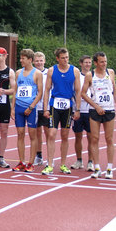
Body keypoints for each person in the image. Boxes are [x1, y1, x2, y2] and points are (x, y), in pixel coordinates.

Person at [81, 52, 116, 179]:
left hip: (109, 110)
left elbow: (114, 90)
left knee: (109, 139)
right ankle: (97, 167)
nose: (104, 64)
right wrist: (96, 106)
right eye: (102, 62)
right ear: (96, 63)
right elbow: (83, 93)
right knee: (94, 139)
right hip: (95, 110)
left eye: (105, 61)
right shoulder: (90, 75)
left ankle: (109, 168)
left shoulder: (110, 73)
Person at [42, 47, 81, 175]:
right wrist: (45, 108)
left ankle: (63, 164)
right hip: (54, 104)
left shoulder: (74, 70)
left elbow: (78, 91)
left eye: (67, 58)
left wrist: (77, 109)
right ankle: (49, 164)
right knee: (52, 134)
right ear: (57, 58)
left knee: (65, 135)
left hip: (68, 106)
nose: (65, 60)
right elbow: (47, 90)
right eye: (63, 58)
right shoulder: (52, 70)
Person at [11, 49, 43, 172]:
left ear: (30, 60)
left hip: (31, 109)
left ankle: (30, 163)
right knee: (20, 134)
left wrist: (31, 106)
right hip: (19, 106)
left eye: (23, 58)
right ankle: (21, 162)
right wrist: (12, 107)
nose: (21, 60)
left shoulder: (37, 74)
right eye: (20, 58)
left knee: (32, 135)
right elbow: (15, 91)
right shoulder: (18, 72)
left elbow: (40, 92)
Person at [71, 55, 94, 171]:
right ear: (81, 63)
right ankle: (79, 160)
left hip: (90, 111)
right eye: (86, 62)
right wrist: (76, 108)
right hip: (78, 111)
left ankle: (90, 161)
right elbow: (73, 92)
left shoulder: (93, 76)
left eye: (89, 62)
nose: (88, 64)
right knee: (78, 136)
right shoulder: (77, 76)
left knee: (91, 137)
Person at [33, 52, 49, 166]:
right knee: (37, 133)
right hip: (35, 106)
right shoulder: (31, 72)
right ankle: (38, 156)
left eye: (41, 60)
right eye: (37, 61)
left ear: (44, 61)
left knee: (49, 133)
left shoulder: (50, 73)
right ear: (33, 61)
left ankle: (50, 157)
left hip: (47, 107)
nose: (39, 63)